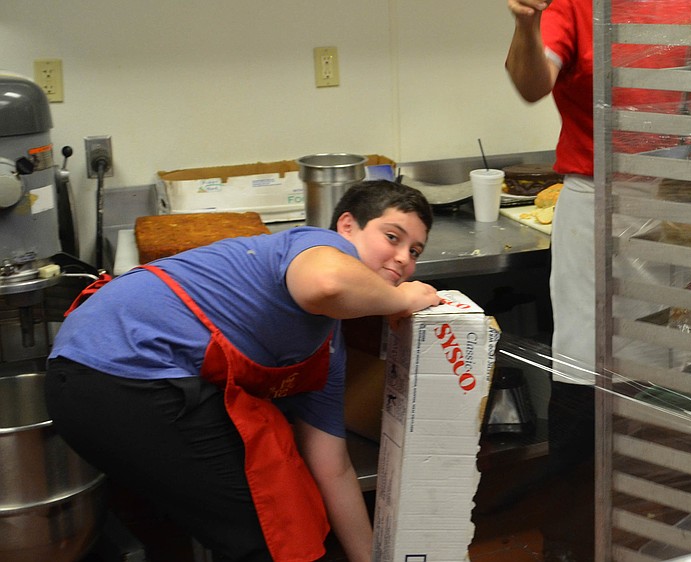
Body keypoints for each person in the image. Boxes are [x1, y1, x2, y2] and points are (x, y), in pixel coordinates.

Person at [44, 180, 442, 562]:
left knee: (281, 518)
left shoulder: (326, 349)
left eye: (415, 251)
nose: (404, 258)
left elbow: (332, 467)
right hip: (122, 374)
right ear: (348, 225)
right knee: (269, 537)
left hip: (92, 381)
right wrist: (399, 298)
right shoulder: (316, 245)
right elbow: (327, 283)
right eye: (393, 237)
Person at [506, 1, 691, 559]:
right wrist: (523, 23)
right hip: (601, 202)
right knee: (588, 374)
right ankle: (572, 541)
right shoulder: (576, 5)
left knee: (681, 374)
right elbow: (532, 82)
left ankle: (674, 531)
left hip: (686, 200)